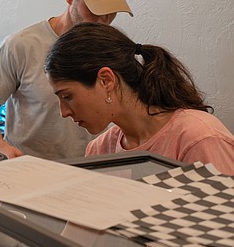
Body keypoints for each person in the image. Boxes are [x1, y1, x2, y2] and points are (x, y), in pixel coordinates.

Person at [0, 0, 133, 159]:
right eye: (96, 9)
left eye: (112, 12)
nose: (104, 20)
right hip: (29, 169)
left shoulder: (113, 48)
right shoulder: (22, 45)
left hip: (93, 169)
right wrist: (1, 147)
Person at [44, 22, 234, 174]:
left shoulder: (199, 139)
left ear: (106, 80)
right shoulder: (100, 150)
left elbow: (226, 220)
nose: (64, 112)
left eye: (67, 96)